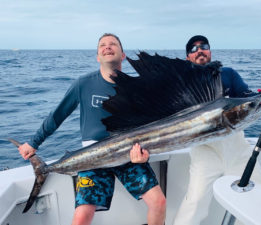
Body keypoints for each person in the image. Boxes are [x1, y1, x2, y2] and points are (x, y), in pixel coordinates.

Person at [18, 33, 166, 225]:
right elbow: (57, 115)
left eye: (113, 44)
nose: (108, 47)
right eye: (102, 45)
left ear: (122, 55)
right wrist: (33, 142)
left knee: (159, 202)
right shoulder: (83, 84)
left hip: (129, 154)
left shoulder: (135, 88)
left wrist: (145, 154)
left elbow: (146, 128)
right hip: (92, 159)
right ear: (98, 57)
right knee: (81, 217)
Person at [173, 35, 261, 225]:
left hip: (236, 146)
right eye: (193, 49)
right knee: (195, 202)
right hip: (205, 149)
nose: (199, 50)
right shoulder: (184, 83)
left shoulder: (228, 74)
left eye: (204, 46)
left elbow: (246, 97)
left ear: (210, 51)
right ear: (188, 58)